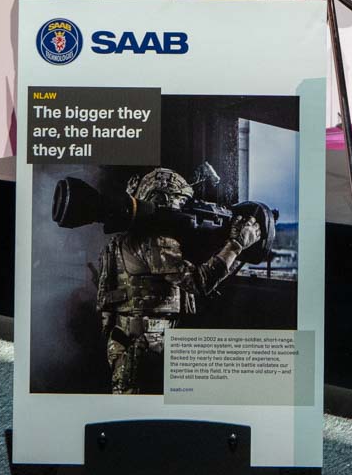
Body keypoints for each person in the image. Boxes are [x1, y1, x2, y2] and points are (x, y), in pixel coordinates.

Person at [94, 168, 266, 394]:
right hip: (145, 346)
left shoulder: (124, 238)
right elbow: (198, 282)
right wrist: (236, 245)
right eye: (181, 202)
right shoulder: (154, 240)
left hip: (130, 341)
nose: (185, 209)